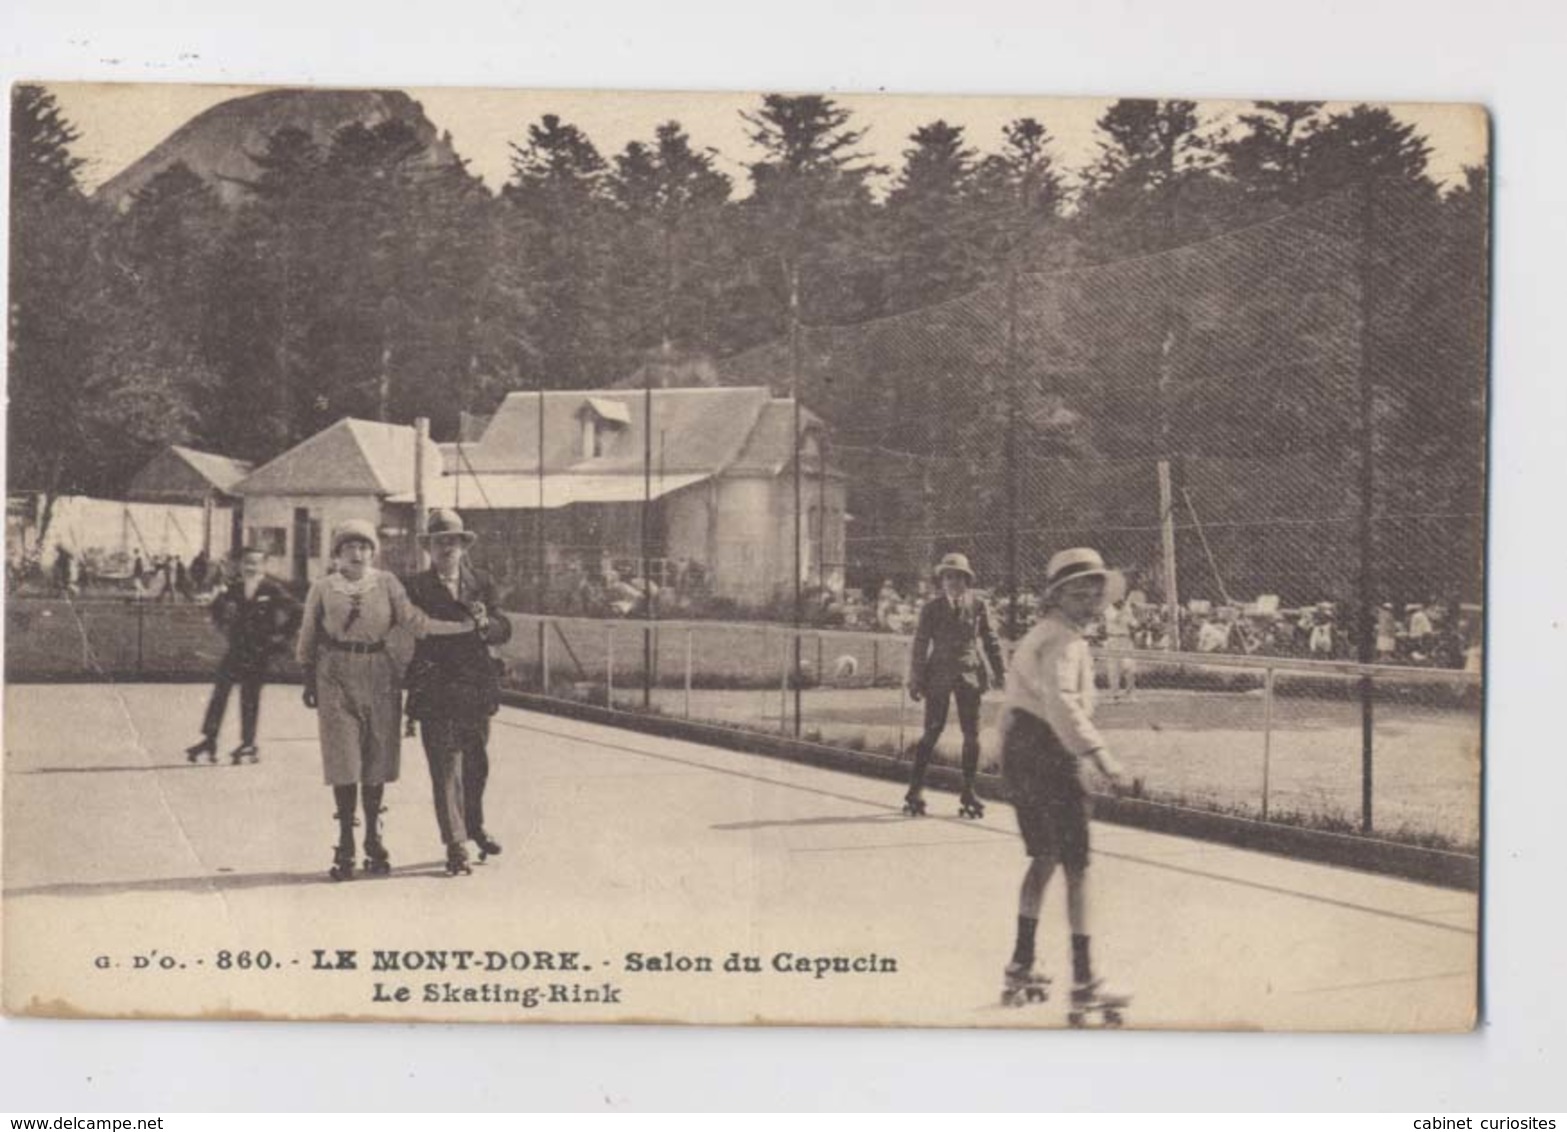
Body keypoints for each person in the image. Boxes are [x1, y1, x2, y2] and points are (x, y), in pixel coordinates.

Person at [296, 520, 476, 882]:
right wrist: (308, 679)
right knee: (344, 758)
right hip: (334, 675)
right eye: (350, 547)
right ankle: (346, 841)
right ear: (338, 552)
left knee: (376, 757)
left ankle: (374, 839)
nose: (358, 554)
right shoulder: (323, 588)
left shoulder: (387, 584)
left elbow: (416, 622)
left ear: (373, 551)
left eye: (364, 547)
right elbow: (307, 637)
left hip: (379, 674)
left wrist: (462, 627)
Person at [998, 547, 1131, 1020]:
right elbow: (1063, 705)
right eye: (1081, 591)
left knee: (1045, 858)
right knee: (1076, 867)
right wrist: (1102, 758)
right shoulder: (1063, 641)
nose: (1092, 599)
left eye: (1097, 590)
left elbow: (1021, 706)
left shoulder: (1043, 634)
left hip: (1020, 752)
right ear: (1057, 596)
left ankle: (1021, 964)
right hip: (1049, 754)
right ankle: (1084, 980)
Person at [402, 509, 514, 877]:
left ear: (464, 547)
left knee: (476, 764)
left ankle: (474, 826)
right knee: (445, 767)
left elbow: (503, 627)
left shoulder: (481, 582)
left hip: (476, 688)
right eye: (439, 542)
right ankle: (455, 844)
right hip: (435, 687)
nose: (447, 548)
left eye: (453, 541)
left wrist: (486, 624)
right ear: (429, 548)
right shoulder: (414, 587)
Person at [903, 552, 1006, 819]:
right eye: (948, 577)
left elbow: (990, 639)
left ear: (966, 580)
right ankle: (915, 789)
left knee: (972, 735)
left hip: (969, 675)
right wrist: (916, 679)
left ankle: (969, 790)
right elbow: (921, 644)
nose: (953, 582)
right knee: (932, 732)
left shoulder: (978, 605)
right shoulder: (932, 609)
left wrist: (1000, 672)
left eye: (958, 577)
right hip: (938, 676)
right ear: (942, 581)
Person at [184, 547, 301, 765]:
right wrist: (223, 625)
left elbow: (297, 612)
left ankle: (248, 742)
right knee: (220, 691)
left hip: (258, 652)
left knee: (250, 697)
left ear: (264, 566)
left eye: (255, 563)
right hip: (236, 649)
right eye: (247, 562)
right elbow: (216, 607)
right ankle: (210, 739)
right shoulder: (234, 588)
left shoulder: (272, 588)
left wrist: (280, 636)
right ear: (241, 565)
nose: (250, 567)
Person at [1102, 597, 1138, 701]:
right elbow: (1116, 619)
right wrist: (1124, 609)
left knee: (1130, 668)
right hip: (1113, 639)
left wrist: (1136, 619)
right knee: (1113, 668)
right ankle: (1114, 694)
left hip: (1125, 639)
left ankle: (1130, 694)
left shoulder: (1126, 608)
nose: (1120, 600)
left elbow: (1133, 623)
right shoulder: (1108, 609)